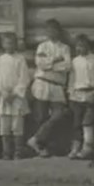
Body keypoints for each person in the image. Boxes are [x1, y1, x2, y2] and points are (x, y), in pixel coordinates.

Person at [27, 19, 71, 158]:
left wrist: (51, 64)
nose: (52, 32)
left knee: (58, 115)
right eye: (49, 29)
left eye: (54, 29)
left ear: (58, 31)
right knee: (40, 116)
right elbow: (41, 64)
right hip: (42, 83)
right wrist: (55, 61)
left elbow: (67, 66)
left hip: (57, 86)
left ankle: (36, 139)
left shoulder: (65, 48)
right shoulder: (42, 47)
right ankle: (41, 148)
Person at [0, 31, 30, 161]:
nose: (10, 45)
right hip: (3, 96)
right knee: (4, 126)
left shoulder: (20, 59)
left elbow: (24, 78)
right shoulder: (0, 60)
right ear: (3, 44)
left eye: (12, 43)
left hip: (16, 97)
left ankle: (18, 152)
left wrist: (14, 93)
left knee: (17, 125)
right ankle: (6, 153)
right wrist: (2, 92)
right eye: (7, 43)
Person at [68, 34, 94, 160]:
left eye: (82, 46)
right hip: (77, 94)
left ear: (87, 46)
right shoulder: (74, 61)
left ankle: (88, 147)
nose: (80, 48)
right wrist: (70, 93)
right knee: (76, 122)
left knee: (87, 122)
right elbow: (72, 79)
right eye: (78, 46)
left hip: (90, 93)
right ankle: (75, 148)